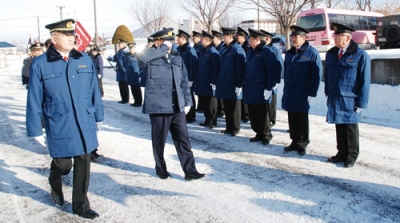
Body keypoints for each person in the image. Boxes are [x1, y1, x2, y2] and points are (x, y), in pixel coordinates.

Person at [26, 19, 103, 219]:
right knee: (63, 165)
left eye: (72, 34)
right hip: (59, 123)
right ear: (54, 38)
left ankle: (81, 206)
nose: (72, 38)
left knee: (83, 164)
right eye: (67, 35)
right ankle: (55, 181)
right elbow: (34, 98)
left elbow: (95, 90)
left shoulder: (84, 59)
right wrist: (35, 129)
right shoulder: (40, 64)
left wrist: (98, 116)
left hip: (84, 121)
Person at [138, 28, 205, 180]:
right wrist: (160, 49)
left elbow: (183, 82)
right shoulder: (150, 58)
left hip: (177, 106)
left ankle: (190, 170)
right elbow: (141, 58)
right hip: (159, 106)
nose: (171, 43)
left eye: (171, 40)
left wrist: (187, 102)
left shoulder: (176, 58)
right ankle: (160, 167)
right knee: (159, 140)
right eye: (167, 41)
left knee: (183, 139)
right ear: (158, 42)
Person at [325, 23, 371, 168]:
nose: (335, 39)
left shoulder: (360, 55)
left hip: (351, 99)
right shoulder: (332, 53)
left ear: (347, 38)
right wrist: (328, 91)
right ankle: (342, 152)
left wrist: (361, 103)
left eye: (337, 36)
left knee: (350, 128)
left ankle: (351, 155)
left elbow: (365, 81)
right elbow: (328, 75)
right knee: (339, 125)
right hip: (336, 96)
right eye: (335, 36)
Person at [282, 25, 322, 156]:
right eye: (292, 37)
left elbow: (316, 75)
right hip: (291, 91)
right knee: (292, 117)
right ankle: (294, 140)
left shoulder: (311, 52)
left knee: (302, 118)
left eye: (295, 37)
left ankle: (303, 143)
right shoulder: (290, 53)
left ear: (304, 38)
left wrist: (312, 92)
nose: (293, 39)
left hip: (303, 91)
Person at [244, 28, 280, 145]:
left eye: (251, 40)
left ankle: (266, 135)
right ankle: (258, 133)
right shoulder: (250, 51)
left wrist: (269, 87)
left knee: (262, 113)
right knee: (253, 113)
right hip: (251, 87)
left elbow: (272, 71)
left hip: (261, 88)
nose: (249, 42)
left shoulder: (267, 52)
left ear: (257, 39)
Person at [215, 27, 246, 136]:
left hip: (234, 83)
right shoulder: (225, 49)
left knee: (234, 108)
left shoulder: (237, 50)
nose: (223, 38)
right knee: (227, 107)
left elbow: (241, 69)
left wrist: (239, 84)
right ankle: (229, 127)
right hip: (225, 83)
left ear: (231, 36)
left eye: (225, 36)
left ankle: (235, 128)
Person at [195, 30, 221, 129]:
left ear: (207, 40)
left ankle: (212, 121)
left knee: (211, 103)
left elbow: (216, 69)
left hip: (210, 82)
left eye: (202, 38)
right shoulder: (202, 51)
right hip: (202, 81)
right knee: (204, 102)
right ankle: (207, 119)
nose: (200, 40)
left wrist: (214, 82)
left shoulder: (213, 52)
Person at [260, 29, 284, 127]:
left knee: (272, 101)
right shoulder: (262, 50)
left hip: (273, 81)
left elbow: (279, 66)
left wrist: (277, 81)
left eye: (263, 38)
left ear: (268, 39)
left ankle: (272, 119)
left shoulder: (275, 50)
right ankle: (265, 119)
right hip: (265, 81)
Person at [176, 29, 198, 123]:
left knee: (189, 97)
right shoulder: (179, 49)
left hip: (187, 78)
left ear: (183, 38)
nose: (177, 39)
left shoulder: (190, 50)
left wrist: (191, 79)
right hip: (179, 77)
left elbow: (193, 65)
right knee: (182, 96)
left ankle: (191, 116)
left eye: (178, 38)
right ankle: (184, 114)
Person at [236, 27, 250, 123]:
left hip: (245, 73)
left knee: (245, 95)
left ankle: (246, 115)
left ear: (243, 37)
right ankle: (241, 114)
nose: (237, 37)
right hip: (239, 73)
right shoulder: (238, 45)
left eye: (239, 36)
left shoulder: (247, 46)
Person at [109, 39, 129, 104]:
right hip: (119, 71)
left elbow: (126, 61)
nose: (118, 45)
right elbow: (115, 58)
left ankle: (126, 99)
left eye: (120, 44)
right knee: (121, 85)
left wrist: (125, 70)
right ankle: (123, 98)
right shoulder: (119, 52)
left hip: (123, 70)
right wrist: (110, 58)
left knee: (124, 85)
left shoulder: (125, 52)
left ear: (124, 44)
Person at [212, 30, 226, 118]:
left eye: (213, 38)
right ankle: (219, 109)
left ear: (218, 38)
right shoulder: (215, 47)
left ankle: (222, 110)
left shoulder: (223, 48)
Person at [125, 42, 142, 107]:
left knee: (137, 89)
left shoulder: (138, 55)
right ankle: (135, 101)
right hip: (130, 74)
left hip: (136, 74)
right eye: (130, 49)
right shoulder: (128, 56)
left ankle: (139, 101)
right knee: (133, 88)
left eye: (132, 49)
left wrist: (140, 74)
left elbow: (141, 65)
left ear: (135, 48)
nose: (131, 50)